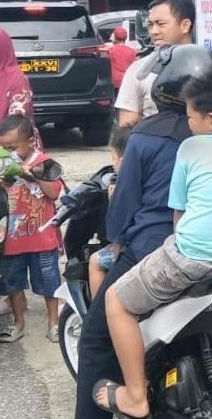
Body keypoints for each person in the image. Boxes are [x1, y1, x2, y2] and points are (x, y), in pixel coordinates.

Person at [93, 70, 212, 417]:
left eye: (190, 117)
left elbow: (178, 218)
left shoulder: (191, 148)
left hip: (196, 258)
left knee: (117, 301)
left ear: (211, 119)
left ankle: (135, 396)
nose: (187, 124)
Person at [74, 45, 212, 419]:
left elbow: (122, 213)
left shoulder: (145, 135)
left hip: (155, 249)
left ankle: (128, 400)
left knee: (95, 339)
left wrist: (114, 233)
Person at [0, 115, 64, 343]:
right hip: (12, 239)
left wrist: (30, 174)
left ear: (30, 142)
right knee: (12, 284)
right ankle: (18, 323)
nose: (9, 152)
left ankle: (54, 323)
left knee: (49, 283)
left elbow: (54, 193)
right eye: (4, 148)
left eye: (13, 147)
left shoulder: (45, 162)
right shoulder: (1, 163)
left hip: (42, 239)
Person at [115, 0, 196, 127]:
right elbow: (126, 126)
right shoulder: (139, 70)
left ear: (185, 25)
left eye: (160, 24)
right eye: (151, 25)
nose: (153, 31)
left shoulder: (210, 66)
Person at [88, 125, 131, 299]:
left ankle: (100, 313)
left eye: (113, 157)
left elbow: (116, 227)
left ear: (122, 159)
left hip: (131, 247)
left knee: (95, 261)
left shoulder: (122, 185)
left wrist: (112, 198)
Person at [108, 27, 136, 96]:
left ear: (115, 37)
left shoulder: (110, 51)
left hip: (115, 83)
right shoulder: (132, 51)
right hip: (127, 81)